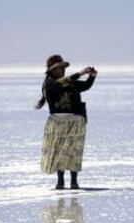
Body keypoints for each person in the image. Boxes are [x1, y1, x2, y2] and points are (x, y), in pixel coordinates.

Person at [35, 54, 97, 189]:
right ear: (51, 70)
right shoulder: (49, 84)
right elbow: (62, 83)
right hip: (58, 122)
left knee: (74, 151)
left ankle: (74, 182)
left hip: (76, 121)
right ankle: (60, 181)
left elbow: (85, 86)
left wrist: (92, 76)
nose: (62, 70)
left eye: (63, 68)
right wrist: (81, 73)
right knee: (59, 151)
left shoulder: (69, 82)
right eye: (59, 68)